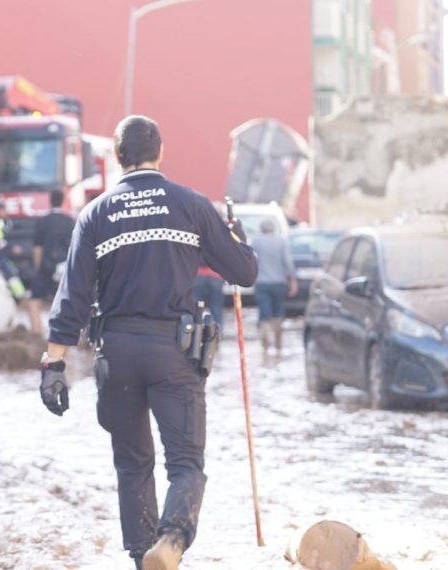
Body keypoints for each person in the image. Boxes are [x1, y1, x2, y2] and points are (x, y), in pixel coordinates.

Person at [39, 116, 257, 570]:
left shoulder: (96, 214)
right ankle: (173, 539)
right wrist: (239, 239)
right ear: (161, 151)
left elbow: (72, 295)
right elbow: (243, 272)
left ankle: (143, 557)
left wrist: (53, 364)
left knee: (132, 463)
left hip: (116, 354)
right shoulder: (190, 205)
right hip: (173, 354)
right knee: (185, 463)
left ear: (118, 157)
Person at [27, 190, 75, 335]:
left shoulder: (43, 221)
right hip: (65, 269)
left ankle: (37, 334)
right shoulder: (70, 221)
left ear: (50, 201)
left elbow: (37, 248)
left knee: (34, 301)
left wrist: (39, 269)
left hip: (46, 267)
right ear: (63, 201)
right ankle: (66, 335)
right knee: (67, 303)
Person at [250, 218, 297, 356]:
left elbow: (251, 261)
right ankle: (278, 344)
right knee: (278, 312)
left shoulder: (256, 241)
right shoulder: (281, 241)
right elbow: (288, 262)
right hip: (279, 282)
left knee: (264, 313)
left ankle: (265, 344)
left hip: (262, 283)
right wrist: (293, 281)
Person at [193, 265, 226, 337]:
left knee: (196, 308)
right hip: (216, 275)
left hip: (199, 273)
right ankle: (218, 334)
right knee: (216, 308)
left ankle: (194, 333)